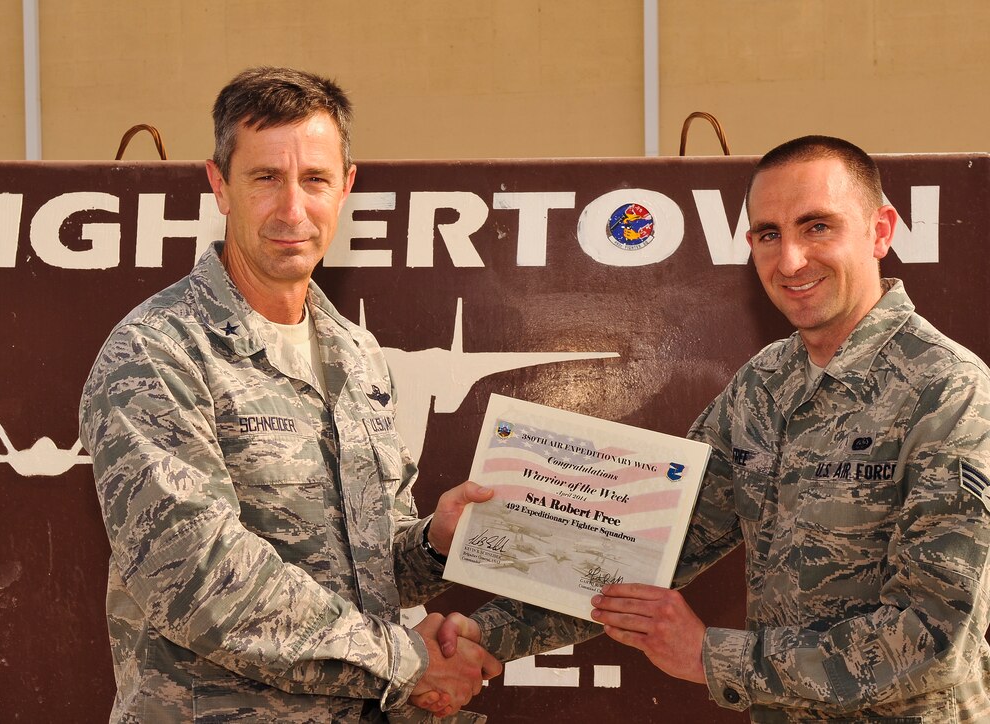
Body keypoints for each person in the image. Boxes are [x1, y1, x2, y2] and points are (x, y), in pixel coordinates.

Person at [80, 66, 503, 723]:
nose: (293, 210)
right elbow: (200, 579)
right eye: (265, 178)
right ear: (219, 185)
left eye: (315, 180)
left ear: (346, 187)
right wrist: (406, 661)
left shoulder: (356, 357)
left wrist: (433, 546)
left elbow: (367, 568)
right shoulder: (157, 354)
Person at [590, 136, 990, 722]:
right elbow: (647, 541)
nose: (791, 261)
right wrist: (479, 638)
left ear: (881, 231)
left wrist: (710, 657)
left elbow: (933, 641)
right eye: (769, 234)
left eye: (818, 227)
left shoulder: (951, 393)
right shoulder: (763, 385)